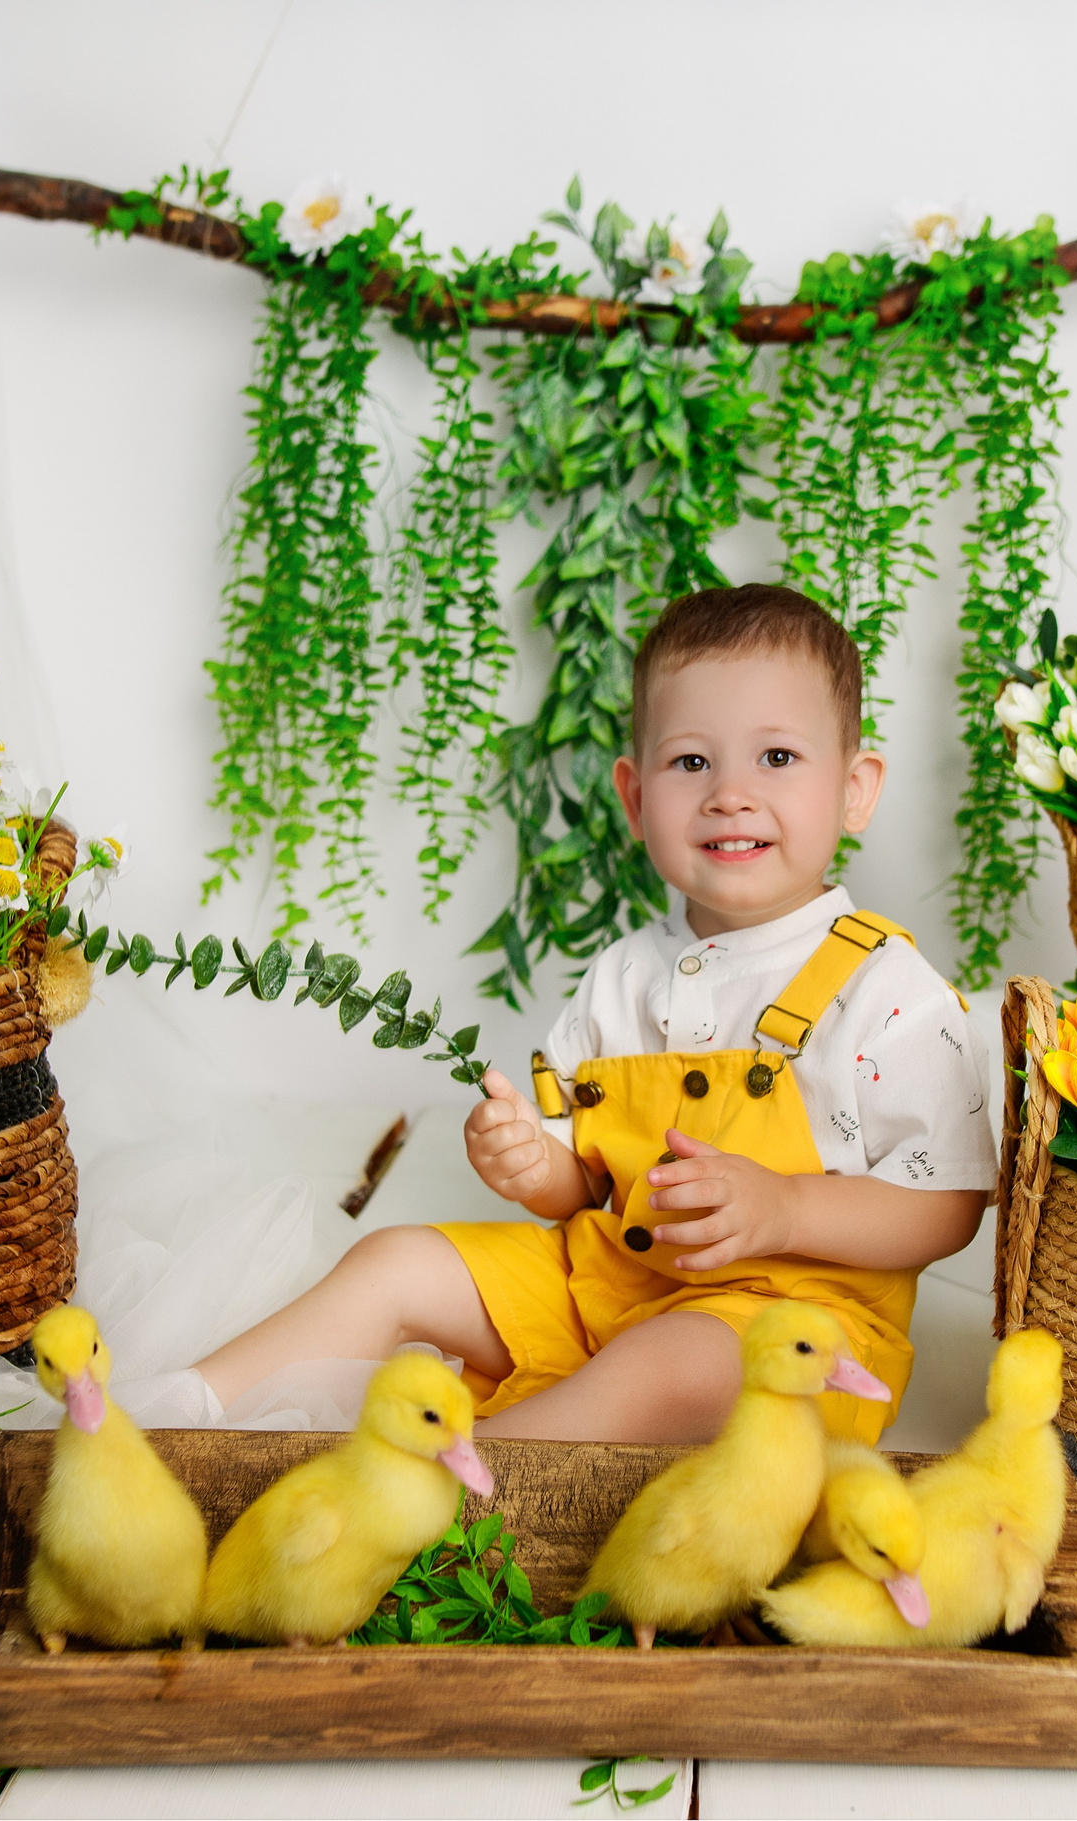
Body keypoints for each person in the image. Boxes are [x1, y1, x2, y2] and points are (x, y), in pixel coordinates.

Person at [192, 584, 996, 1443]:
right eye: (692, 763)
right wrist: (527, 1163)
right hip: (607, 1284)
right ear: (635, 796)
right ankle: (171, 1418)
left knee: (660, 1365)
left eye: (778, 758)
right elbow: (583, 1182)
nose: (730, 793)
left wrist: (787, 1209)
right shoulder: (622, 975)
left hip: (788, 1328)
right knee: (395, 1259)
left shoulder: (886, 988)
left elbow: (949, 1201)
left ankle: (438, 1503)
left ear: (855, 788)